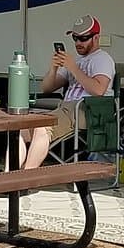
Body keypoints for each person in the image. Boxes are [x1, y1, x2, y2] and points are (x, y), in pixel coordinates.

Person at [19, 13, 115, 169]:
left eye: (83, 38)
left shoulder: (103, 59)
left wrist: (73, 68)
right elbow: (47, 88)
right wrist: (54, 67)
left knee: (42, 127)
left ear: (96, 38)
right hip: (67, 107)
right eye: (75, 38)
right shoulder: (75, 61)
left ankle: (25, 178)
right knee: (22, 128)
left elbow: (98, 90)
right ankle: (8, 175)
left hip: (89, 108)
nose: (78, 43)